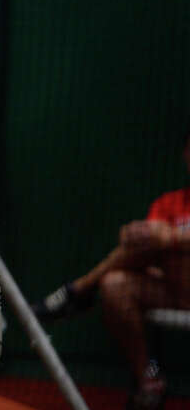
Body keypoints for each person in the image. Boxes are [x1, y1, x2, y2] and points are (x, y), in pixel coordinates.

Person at [30, 130, 190, 410]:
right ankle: (148, 381)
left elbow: (160, 241)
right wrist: (142, 235)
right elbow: (146, 254)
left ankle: (77, 291)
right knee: (115, 284)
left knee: (156, 237)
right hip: (172, 288)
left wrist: (172, 238)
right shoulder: (170, 202)